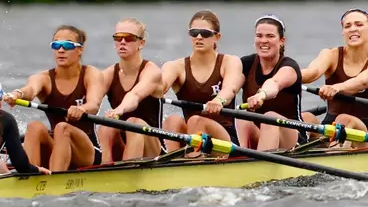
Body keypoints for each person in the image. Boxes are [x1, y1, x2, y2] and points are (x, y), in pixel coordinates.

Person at [2, 25, 105, 171]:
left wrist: (81, 109)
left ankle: (54, 179)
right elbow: (30, 91)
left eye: (67, 45)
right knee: (34, 127)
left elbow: (94, 104)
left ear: (80, 49)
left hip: (87, 151)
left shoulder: (91, 74)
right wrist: (17, 94)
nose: (61, 50)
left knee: (62, 128)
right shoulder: (43, 78)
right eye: (56, 45)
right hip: (57, 145)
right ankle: (30, 176)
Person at [300, 8, 368, 146]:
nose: (353, 29)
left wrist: (336, 88)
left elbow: (363, 81)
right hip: (329, 127)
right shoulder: (330, 55)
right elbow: (312, 72)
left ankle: (332, 157)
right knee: (305, 117)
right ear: (343, 33)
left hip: (362, 133)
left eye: (359, 25)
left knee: (344, 119)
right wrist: (282, 75)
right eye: (347, 26)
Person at [162, 10, 243, 151]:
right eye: (194, 33)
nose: (199, 37)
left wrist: (219, 100)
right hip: (191, 137)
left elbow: (230, 88)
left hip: (224, 139)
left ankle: (193, 160)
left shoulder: (230, 62)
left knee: (195, 120)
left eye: (205, 33)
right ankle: (171, 163)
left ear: (217, 37)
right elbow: (159, 88)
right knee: (172, 120)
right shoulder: (175, 67)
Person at [99, 18, 166, 161]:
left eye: (129, 38)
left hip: (153, 148)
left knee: (133, 122)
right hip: (123, 141)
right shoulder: (108, 74)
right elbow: (91, 102)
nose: (122, 42)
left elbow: (134, 96)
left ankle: (126, 172)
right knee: (106, 127)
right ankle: (104, 170)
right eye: (118, 38)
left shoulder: (151, 71)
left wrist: (119, 109)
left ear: (141, 43)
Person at [237, 15, 307, 151]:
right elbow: (231, 87)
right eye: (259, 36)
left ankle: (260, 167)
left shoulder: (289, 67)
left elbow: (274, 83)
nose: (263, 41)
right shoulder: (246, 64)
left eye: (270, 36)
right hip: (259, 132)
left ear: (281, 41)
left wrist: (261, 95)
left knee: (269, 117)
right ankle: (240, 161)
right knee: (242, 117)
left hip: (292, 136)